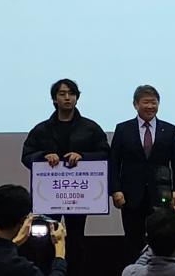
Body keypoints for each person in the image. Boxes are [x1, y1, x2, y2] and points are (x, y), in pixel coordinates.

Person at [21, 79, 110, 276]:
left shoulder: (90, 128)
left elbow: (105, 153)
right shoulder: (42, 129)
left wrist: (83, 156)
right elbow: (26, 155)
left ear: (77, 98)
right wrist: (43, 156)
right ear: (54, 99)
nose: (67, 98)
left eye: (71, 94)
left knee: (76, 240)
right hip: (49, 196)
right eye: (62, 94)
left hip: (79, 196)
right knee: (44, 239)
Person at [110, 84, 175, 263]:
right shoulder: (123, 129)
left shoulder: (169, 129)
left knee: (162, 239)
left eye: (154, 102)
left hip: (161, 195)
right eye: (146, 102)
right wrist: (115, 190)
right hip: (130, 195)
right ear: (135, 104)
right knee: (133, 241)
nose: (150, 106)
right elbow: (113, 163)